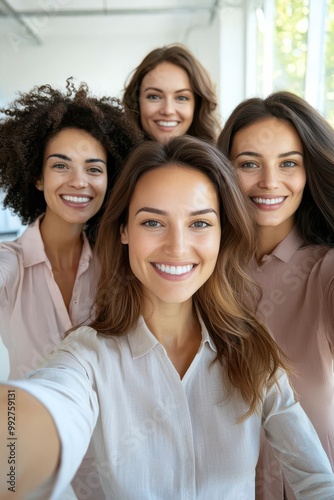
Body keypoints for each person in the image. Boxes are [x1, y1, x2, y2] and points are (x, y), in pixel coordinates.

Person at [1, 136, 334, 499]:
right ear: (124, 230)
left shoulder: (251, 348)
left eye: (200, 224)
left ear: (223, 233)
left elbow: (317, 480)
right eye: (153, 223)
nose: (177, 247)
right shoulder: (85, 355)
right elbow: (39, 413)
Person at [0, 78, 143, 499]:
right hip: (29, 456)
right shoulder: (11, 263)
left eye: (94, 169)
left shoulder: (118, 263)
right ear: (38, 178)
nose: (79, 181)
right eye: (60, 165)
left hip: (113, 463)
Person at [217, 91, 334, 499]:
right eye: (249, 164)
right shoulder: (200, 270)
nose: (269, 181)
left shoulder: (324, 271)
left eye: (288, 163)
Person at [122, 43, 220, 143]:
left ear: (197, 105)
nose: (168, 111)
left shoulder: (219, 157)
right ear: (136, 102)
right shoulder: (108, 156)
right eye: (154, 97)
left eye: (181, 98)